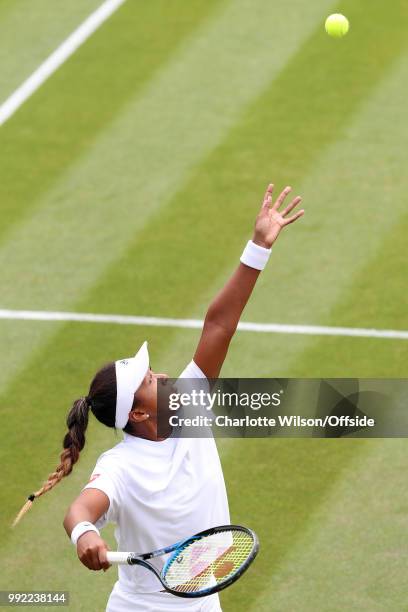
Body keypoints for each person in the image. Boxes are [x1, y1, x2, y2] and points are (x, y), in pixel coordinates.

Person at [13, 184, 304, 611]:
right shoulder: (120, 468)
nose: (164, 375)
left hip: (203, 603)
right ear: (137, 411)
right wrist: (85, 536)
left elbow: (219, 324)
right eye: (150, 379)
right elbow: (79, 511)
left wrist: (258, 246)